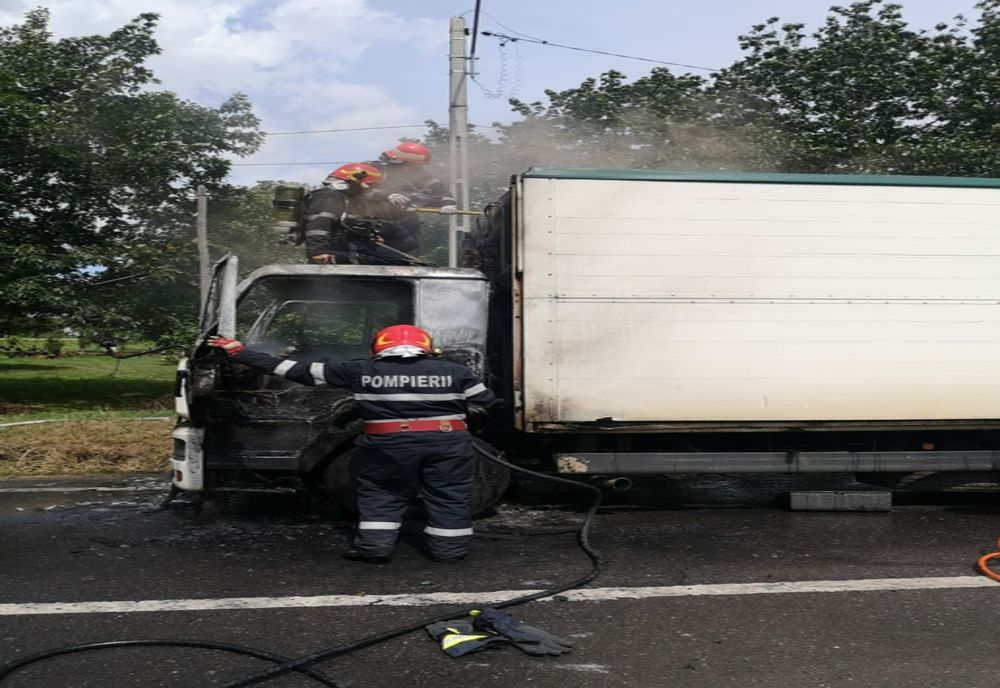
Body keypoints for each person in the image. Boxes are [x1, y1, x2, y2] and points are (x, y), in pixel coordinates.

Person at [207, 324, 495, 564]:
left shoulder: (358, 370)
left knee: (382, 493)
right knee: (449, 494)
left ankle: (374, 550)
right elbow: (484, 401)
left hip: (388, 444)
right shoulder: (455, 371)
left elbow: (294, 370)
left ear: (379, 346)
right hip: (447, 443)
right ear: (426, 346)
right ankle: (449, 552)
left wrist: (240, 352)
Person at [302, 162, 413, 266]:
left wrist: (370, 236)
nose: (369, 190)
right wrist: (318, 251)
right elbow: (319, 224)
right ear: (354, 180)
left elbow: (350, 225)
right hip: (337, 250)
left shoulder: (348, 199)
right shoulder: (329, 196)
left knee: (407, 261)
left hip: (352, 246)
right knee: (398, 262)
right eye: (370, 185)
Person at [366, 142, 459, 255]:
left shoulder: (419, 174)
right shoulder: (372, 170)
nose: (418, 169)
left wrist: (448, 203)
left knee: (408, 260)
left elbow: (440, 191)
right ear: (399, 162)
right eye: (414, 166)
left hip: (404, 225)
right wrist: (387, 195)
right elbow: (360, 192)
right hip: (370, 224)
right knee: (369, 257)